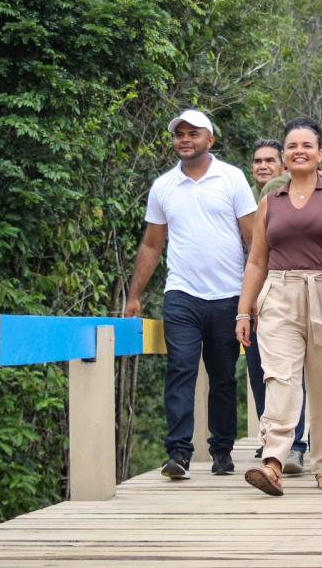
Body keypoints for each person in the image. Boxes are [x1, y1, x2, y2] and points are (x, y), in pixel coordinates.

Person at [124, 109, 256, 480]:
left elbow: (252, 239)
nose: (184, 139)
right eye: (179, 134)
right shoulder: (164, 186)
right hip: (181, 292)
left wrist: (254, 294)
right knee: (180, 370)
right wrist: (135, 295)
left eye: (193, 133)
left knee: (223, 376)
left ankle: (222, 450)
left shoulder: (231, 178)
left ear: (209, 140)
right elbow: (152, 245)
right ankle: (179, 453)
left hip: (229, 294)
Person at [237, 118, 322, 496]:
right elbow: (257, 262)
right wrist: (245, 311)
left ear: (320, 152)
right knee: (280, 377)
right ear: (284, 155)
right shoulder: (270, 202)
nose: (299, 151)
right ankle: (274, 460)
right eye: (292, 146)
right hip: (280, 292)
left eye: (307, 145)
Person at [246, 139, 308, 472]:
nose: (263, 166)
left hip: (301, 293)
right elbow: (254, 258)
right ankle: (273, 440)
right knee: (266, 373)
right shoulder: (253, 204)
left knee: (291, 374)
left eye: (271, 159)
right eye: (257, 161)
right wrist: (247, 303)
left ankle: (297, 444)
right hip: (263, 295)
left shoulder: (313, 195)